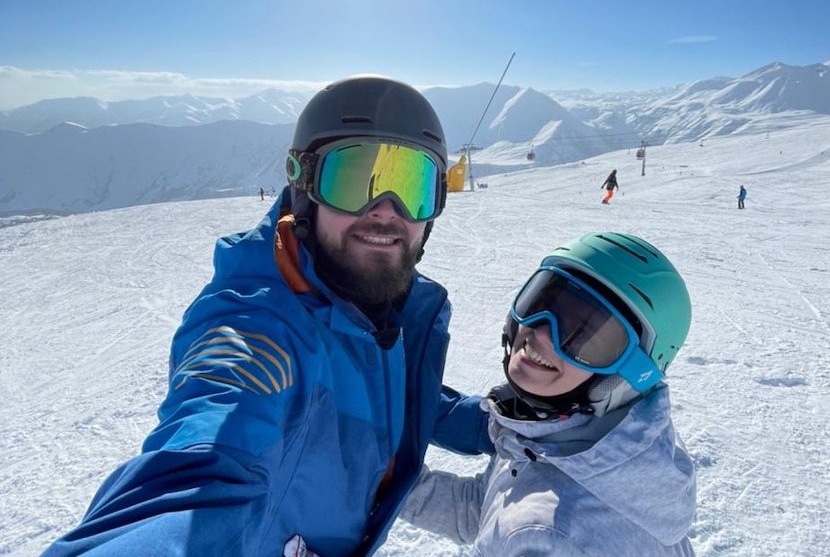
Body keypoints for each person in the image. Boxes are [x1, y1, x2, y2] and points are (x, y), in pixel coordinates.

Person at [41, 76, 493, 557]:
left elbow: (384, 385)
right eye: (354, 179)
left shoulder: (379, 306)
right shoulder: (257, 324)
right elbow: (207, 454)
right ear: (304, 187)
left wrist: (493, 424)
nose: (385, 212)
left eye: (412, 186)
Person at [401, 232, 697, 557]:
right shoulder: (573, 437)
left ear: (627, 375)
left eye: (584, 335)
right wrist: (379, 480)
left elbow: (531, 524)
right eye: (542, 304)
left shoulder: (556, 541)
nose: (540, 334)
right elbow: (490, 511)